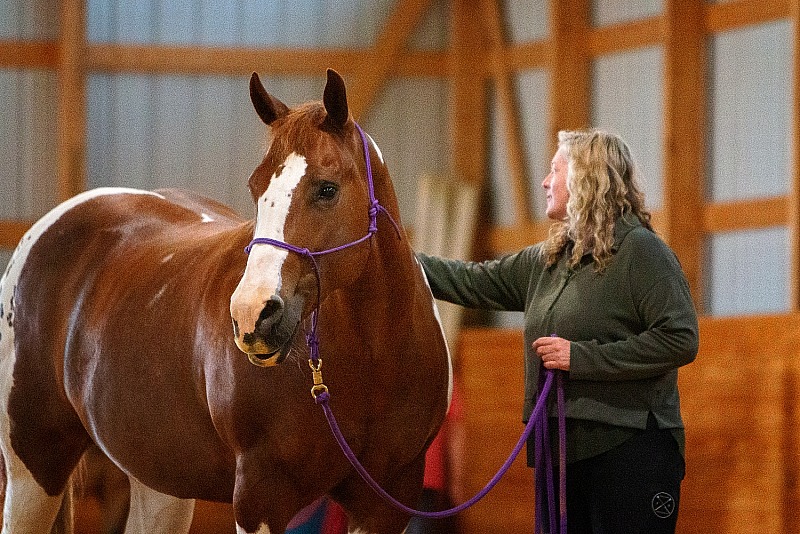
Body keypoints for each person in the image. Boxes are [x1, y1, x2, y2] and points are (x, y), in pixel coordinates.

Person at [416, 129, 699, 533]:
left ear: (587, 179)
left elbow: (680, 338)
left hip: (632, 449)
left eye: (555, 170)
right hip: (565, 452)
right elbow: (470, 280)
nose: (545, 182)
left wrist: (580, 358)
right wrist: (391, 254)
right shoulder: (547, 260)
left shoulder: (641, 251)